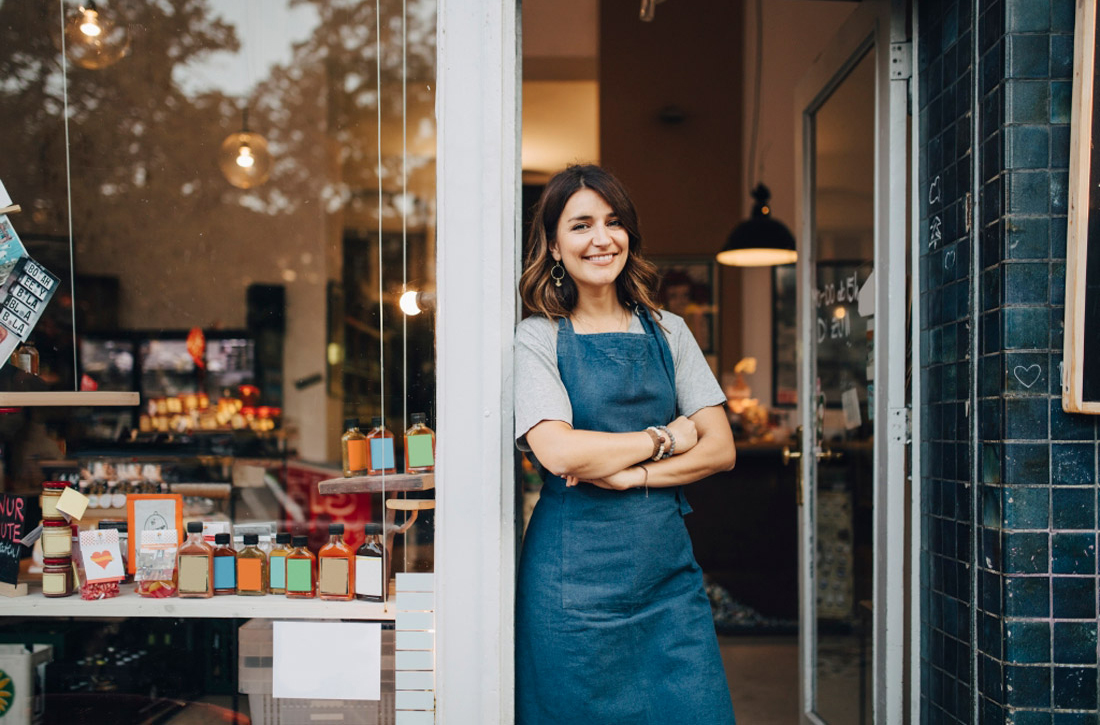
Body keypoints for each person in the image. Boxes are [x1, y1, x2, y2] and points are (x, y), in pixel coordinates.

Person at [513, 164, 737, 724]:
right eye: (581, 225)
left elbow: (719, 449)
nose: (601, 239)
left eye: (613, 223)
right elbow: (558, 452)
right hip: (571, 585)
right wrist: (667, 437)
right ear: (555, 245)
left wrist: (631, 474)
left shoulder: (668, 330)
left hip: (666, 579)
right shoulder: (537, 335)